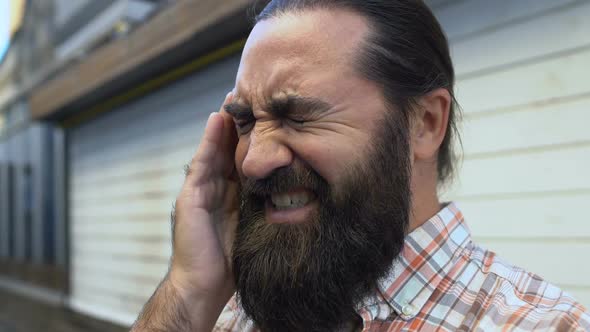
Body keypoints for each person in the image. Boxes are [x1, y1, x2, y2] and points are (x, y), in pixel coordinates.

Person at [130, 1, 590, 331]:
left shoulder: (546, 325)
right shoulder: (234, 311)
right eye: (246, 120)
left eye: (299, 115)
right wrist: (190, 288)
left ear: (425, 124)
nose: (253, 160)